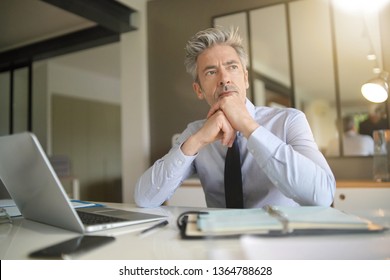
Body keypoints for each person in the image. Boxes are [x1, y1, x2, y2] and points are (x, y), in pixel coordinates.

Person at [135, 27, 335, 208]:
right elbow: (145, 198)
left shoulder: (289, 121)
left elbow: (323, 196)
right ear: (199, 90)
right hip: (217, 243)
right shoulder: (195, 132)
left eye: (232, 67)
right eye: (211, 72)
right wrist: (197, 140)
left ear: (245, 78)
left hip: (280, 242)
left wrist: (248, 126)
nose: (224, 79)